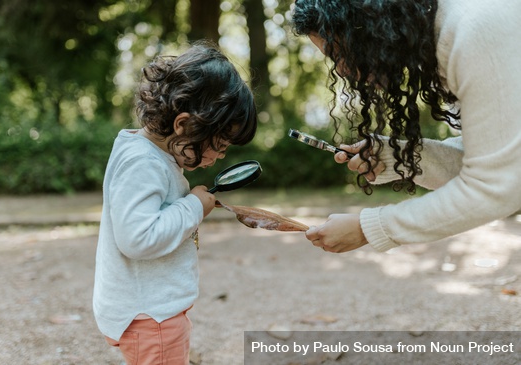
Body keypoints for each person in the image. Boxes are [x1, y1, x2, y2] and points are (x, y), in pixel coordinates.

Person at [291, 0, 521, 253]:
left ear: (368, 24)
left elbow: (498, 185)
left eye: (338, 54)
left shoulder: (472, 32)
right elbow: (497, 161)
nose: (341, 70)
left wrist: (368, 227)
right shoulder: (444, 39)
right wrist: (394, 157)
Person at [92, 40, 257, 365]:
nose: (219, 157)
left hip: (148, 310)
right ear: (184, 125)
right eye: (220, 145)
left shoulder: (148, 154)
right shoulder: (145, 163)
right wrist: (194, 206)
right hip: (150, 315)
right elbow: (137, 238)